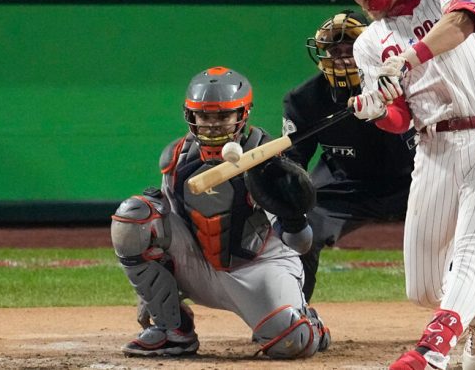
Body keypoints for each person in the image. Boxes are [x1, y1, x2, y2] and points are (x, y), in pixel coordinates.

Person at [283, 9, 475, 343]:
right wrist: (285, 199)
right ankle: (291, 316)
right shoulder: (304, 101)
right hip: (348, 184)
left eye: (350, 48)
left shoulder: (405, 84)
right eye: (333, 50)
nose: (341, 57)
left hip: (414, 177)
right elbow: (293, 163)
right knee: (301, 230)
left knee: (454, 237)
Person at [334, 0, 475, 369]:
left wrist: (407, 58)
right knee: (422, 288)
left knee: (472, 252)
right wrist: (376, 111)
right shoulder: (369, 44)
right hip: (434, 148)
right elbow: (400, 118)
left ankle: (431, 351)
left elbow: (462, 21)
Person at [109, 66, 330, 360]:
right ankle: (174, 331)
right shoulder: (176, 158)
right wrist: (152, 289)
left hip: (259, 266)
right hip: (201, 264)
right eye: (205, 116)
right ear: (191, 116)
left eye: (222, 116)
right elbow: (166, 229)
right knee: (133, 217)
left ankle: (306, 321)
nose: (212, 125)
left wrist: (292, 217)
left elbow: (301, 244)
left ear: (242, 114)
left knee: (292, 344)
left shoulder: (268, 159)